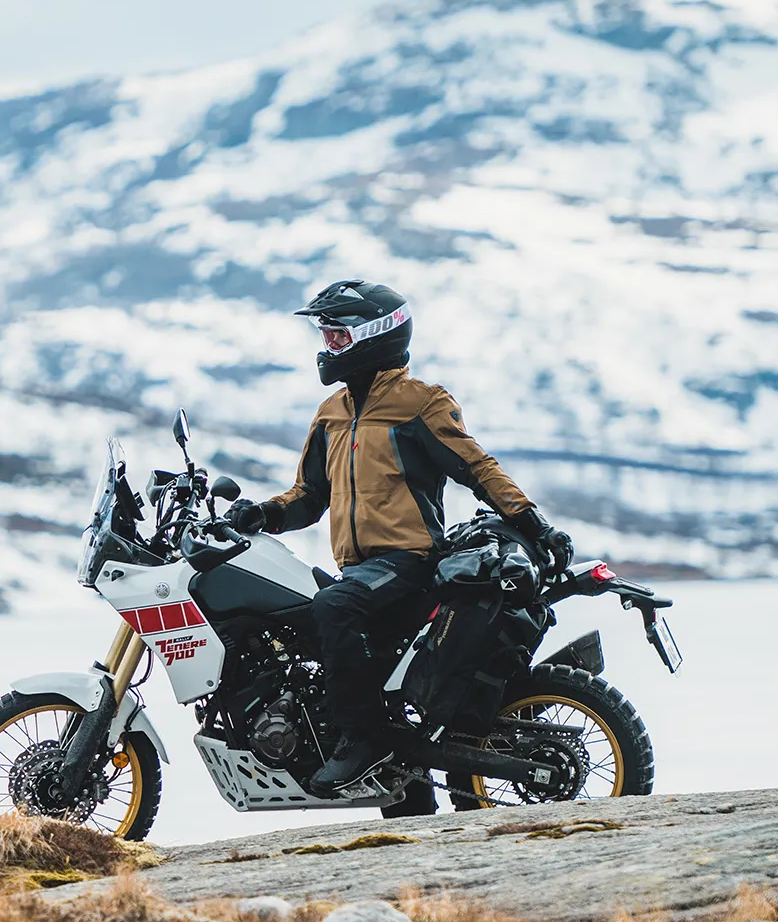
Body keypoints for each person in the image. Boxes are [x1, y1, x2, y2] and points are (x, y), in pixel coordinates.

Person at [226, 280, 571, 801]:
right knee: (308, 622)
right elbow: (309, 495)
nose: (327, 348)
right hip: (360, 570)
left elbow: (477, 468)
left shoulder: (419, 404)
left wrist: (531, 522)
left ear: (375, 336)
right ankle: (404, 798)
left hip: (409, 562)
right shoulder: (332, 413)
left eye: (337, 337)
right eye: (325, 337)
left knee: (333, 608)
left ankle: (362, 739)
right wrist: (260, 515)